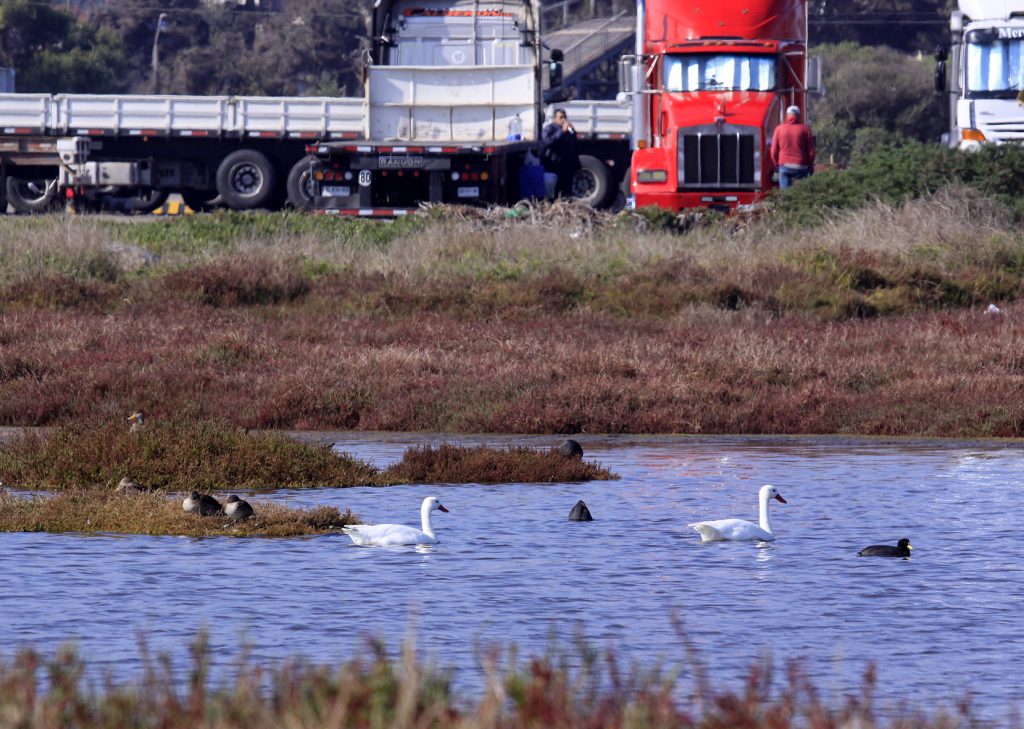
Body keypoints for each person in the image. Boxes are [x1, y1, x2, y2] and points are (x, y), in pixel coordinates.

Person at [770, 105, 815, 189]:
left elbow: (773, 150)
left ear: (787, 115)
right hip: (802, 166)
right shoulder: (805, 129)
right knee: (802, 194)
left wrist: (777, 164)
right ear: (798, 116)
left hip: (785, 166)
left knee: (785, 195)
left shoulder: (779, 129)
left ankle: (786, 200)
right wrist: (810, 165)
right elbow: (811, 151)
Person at [541, 108, 581, 198]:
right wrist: (562, 131)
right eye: (561, 117)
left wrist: (577, 165)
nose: (563, 119)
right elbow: (547, 142)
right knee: (554, 192)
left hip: (567, 167)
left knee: (567, 193)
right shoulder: (549, 129)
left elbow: (574, 146)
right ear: (555, 118)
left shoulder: (568, 131)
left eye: (565, 117)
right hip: (553, 166)